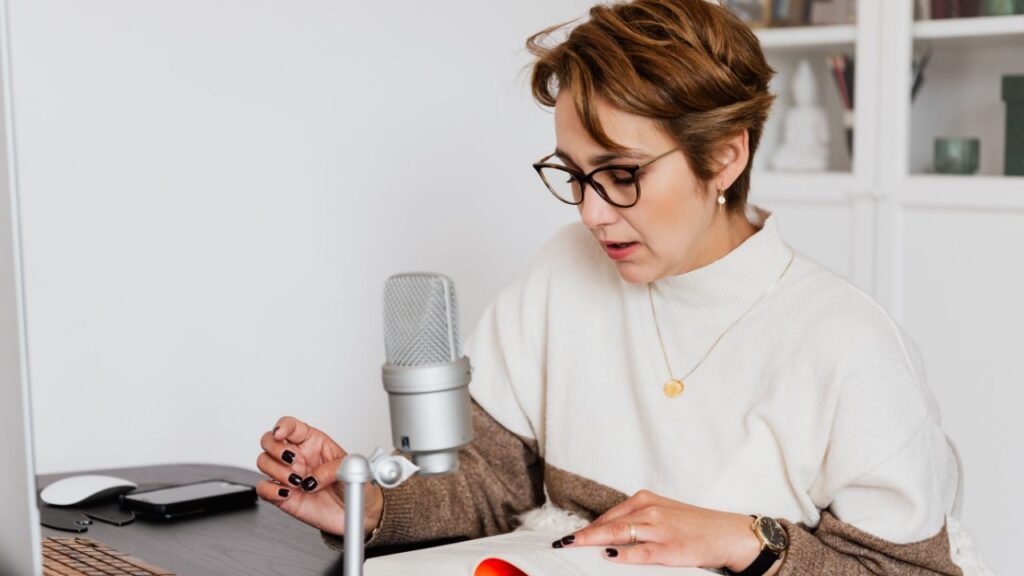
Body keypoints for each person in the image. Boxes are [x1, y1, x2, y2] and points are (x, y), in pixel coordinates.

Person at [255, 1, 965, 574]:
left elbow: (910, 573)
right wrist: (368, 505)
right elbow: (489, 483)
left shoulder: (848, 342)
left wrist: (748, 540)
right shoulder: (564, 272)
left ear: (723, 156)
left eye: (622, 175)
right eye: (574, 173)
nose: (592, 212)